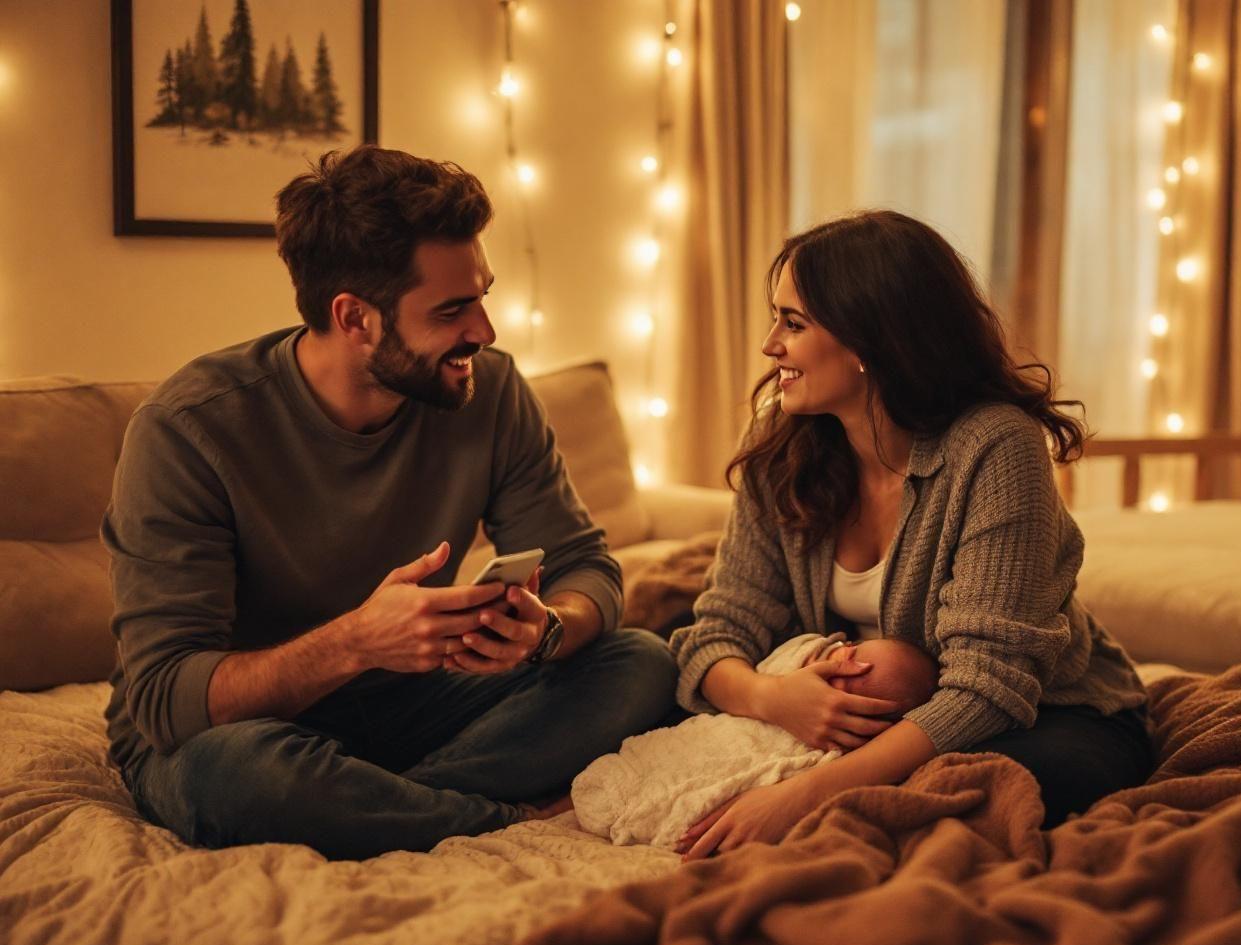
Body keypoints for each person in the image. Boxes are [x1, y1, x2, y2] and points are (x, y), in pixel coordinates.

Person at [102, 145, 678, 861]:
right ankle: (495, 817)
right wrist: (354, 642)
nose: (485, 331)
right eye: (452, 309)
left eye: (483, 296)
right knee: (237, 778)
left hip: (412, 701)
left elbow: (586, 567)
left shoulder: (489, 391)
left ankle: (378, 802)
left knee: (641, 663)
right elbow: (164, 698)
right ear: (356, 319)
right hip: (236, 730)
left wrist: (549, 629)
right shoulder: (190, 429)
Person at [669, 210, 1154, 860]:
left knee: (964, 795)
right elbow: (720, 629)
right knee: (650, 671)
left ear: (871, 337)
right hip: (855, 709)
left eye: (793, 323)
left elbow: (989, 687)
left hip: (1041, 713)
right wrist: (772, 698)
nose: (769, 345)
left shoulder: (995, 447)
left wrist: (806, 794)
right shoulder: (779, 446)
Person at [571, 635, 937, 849]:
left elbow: (982, 678)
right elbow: (711, 634)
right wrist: (773, 693)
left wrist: (804, 791)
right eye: (852, 654)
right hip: (727, 715)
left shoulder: (827, 755)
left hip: (763, 755)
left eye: (858, 692)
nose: (842, 667)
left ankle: (632, 805)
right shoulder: (808, 654)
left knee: (689, 799)